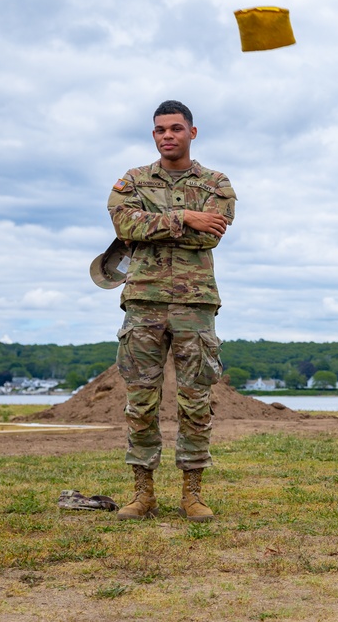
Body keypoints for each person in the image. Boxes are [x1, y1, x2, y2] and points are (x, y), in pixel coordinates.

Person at [107, 100, 237, 522]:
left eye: (176, 128)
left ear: (192, 133)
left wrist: (155, 225)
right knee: (140, 401)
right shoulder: (133, 179)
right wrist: (185, 217)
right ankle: (142, 494)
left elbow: (211, 236)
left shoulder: (216, 182)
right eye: (160, 129)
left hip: (195, 305)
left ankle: (192, 495)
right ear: (153, 135)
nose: (168, 136)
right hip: (143, 301)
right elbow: (124, 224)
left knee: (195, 401)